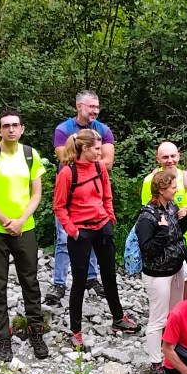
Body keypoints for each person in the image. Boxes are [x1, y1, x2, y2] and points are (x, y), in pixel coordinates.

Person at [53, 128, 140, 350]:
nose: (101, 153)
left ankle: (118, 318)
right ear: (85, 148)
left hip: (102, 228)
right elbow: (59, 207)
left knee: (109, 275)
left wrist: (110, 219)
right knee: (79, 281)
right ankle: (75, 330)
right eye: (97, 149)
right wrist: (72, 230)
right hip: (80, 233)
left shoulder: (100, 168)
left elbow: (107, 196)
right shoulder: (67, 173)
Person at [0, 110, 48, 362]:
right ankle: (3, 336)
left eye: (15, 125)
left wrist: (21, 220)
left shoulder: (30, 155)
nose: (11, 129)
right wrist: (6, 221)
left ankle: (36, 331)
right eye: (6, 126)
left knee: (30, 281)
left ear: (22, 128)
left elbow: (36, 194)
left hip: (25, 228)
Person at [45, 91, 115, 306]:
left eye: (97, 107)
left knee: (93, 237)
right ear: (78, 106)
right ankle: (59, 283)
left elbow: (108, 162)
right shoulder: (63, 129)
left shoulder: (104, 130)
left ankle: (91, 279)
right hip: (70, 194)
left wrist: (110, 217)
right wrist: (92, 160)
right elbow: (67, 160)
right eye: (91, 106)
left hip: (94, 194)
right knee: (63, 239)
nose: (95, 110)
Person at [134, 169, 187, 374]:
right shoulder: (147, 217)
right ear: (161, 189)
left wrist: (182, 220)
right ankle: (156, 362)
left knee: (174, 314)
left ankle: (171, 353)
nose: (176, 190)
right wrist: (163, 231)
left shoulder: (171, 207)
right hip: (157, 273)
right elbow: (147, 249)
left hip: (176, 268)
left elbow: (178, 234)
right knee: (158, 318)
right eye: (173, 187)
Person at [141, 140, 187, 299]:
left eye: (173, 156)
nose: (170, 160)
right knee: (164, 291)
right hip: (160, 243)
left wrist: (182, 213)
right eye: (165, 157)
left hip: (185, 240)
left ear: (179, 156)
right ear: (158, 159)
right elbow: (147, 211)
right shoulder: (149, 180)